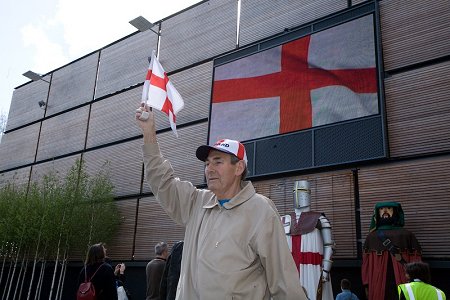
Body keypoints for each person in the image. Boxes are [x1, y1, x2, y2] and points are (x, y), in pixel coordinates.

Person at [135, 104, 307, 300]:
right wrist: (149, 134)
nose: (209, 169)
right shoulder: (196, 202)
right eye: (207, 163)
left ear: (239, 167)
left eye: (217, 161)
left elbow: (284, 283)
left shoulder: (261, 210)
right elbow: (162, 181)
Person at [281, 180, 334, 300]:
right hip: (289, 270)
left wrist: (325, 270)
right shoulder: (284, 219)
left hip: (312, 269)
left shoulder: (320, 219)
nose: (298, 195)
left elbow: (329, 245)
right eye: (295, 191)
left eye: (302, 191)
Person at [362, 202, 422, 300]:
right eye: (382, 209)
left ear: (396, 212)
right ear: (377, 213)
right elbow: (366, 264)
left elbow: (416, 260)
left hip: (403, 280)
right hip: (379, 284)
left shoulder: (406, 235)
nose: (385, 211)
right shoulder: (371, 237)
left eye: (389, 208)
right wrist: (366, 282)